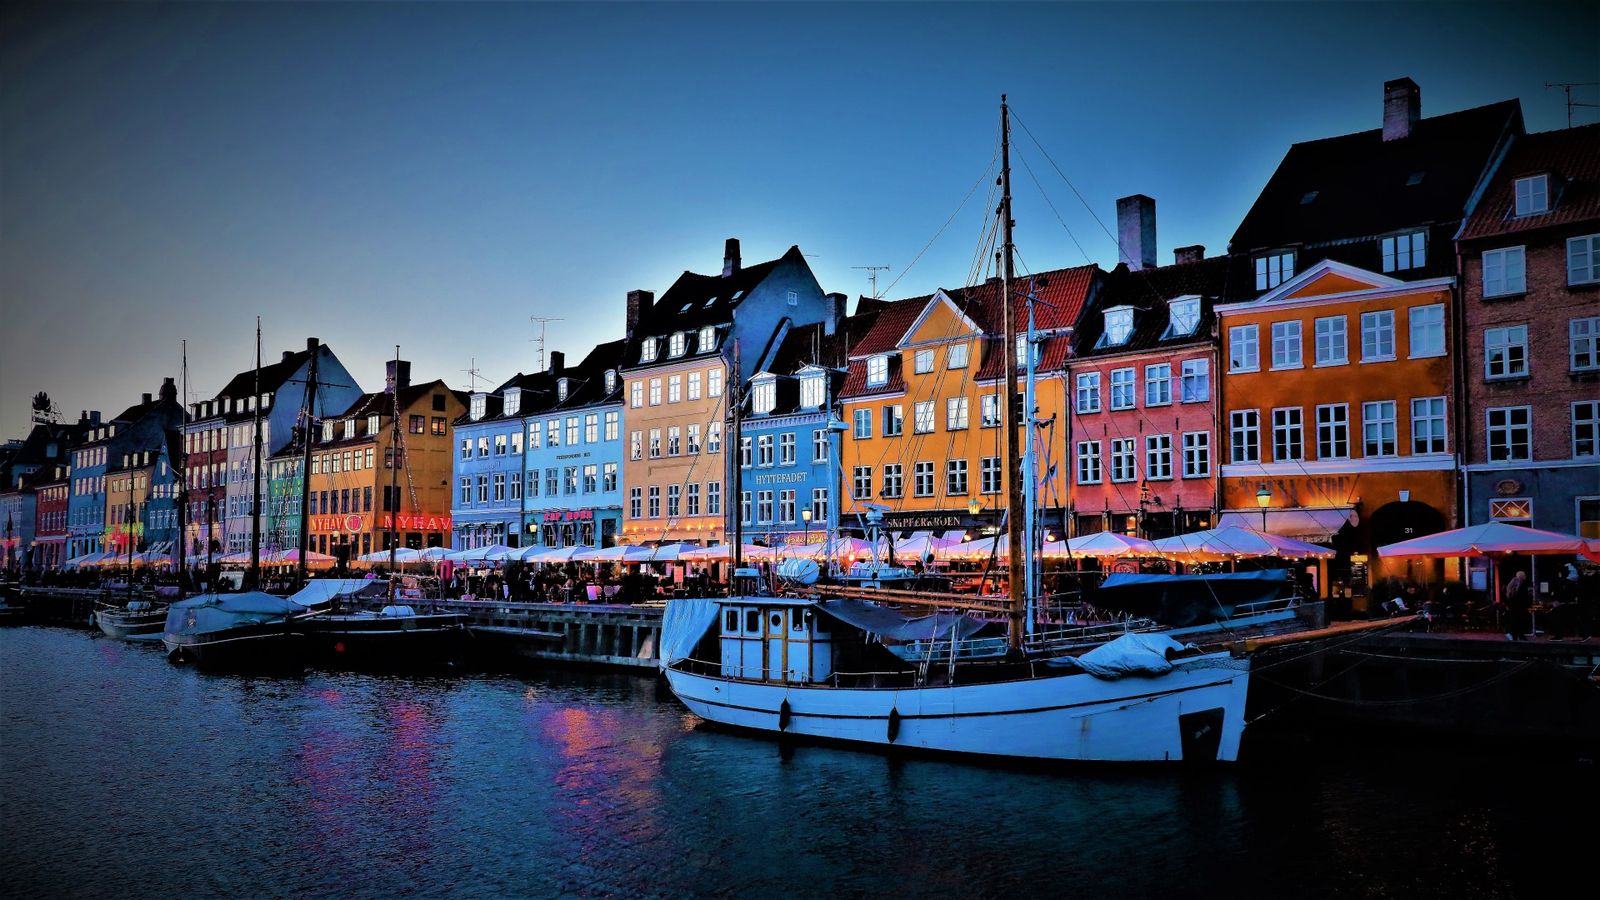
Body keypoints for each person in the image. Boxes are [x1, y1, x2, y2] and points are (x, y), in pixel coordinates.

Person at [1502, 570, 1530, 641]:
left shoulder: (1511, 583)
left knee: (1514, 621)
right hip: (1520, 606)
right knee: (1520, 621)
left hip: (1512, 606)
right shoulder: (1522, 584)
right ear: (1522, 576)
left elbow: (1507, 595)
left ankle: (1515, 636)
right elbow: (1524, 596)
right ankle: (1521, 635)